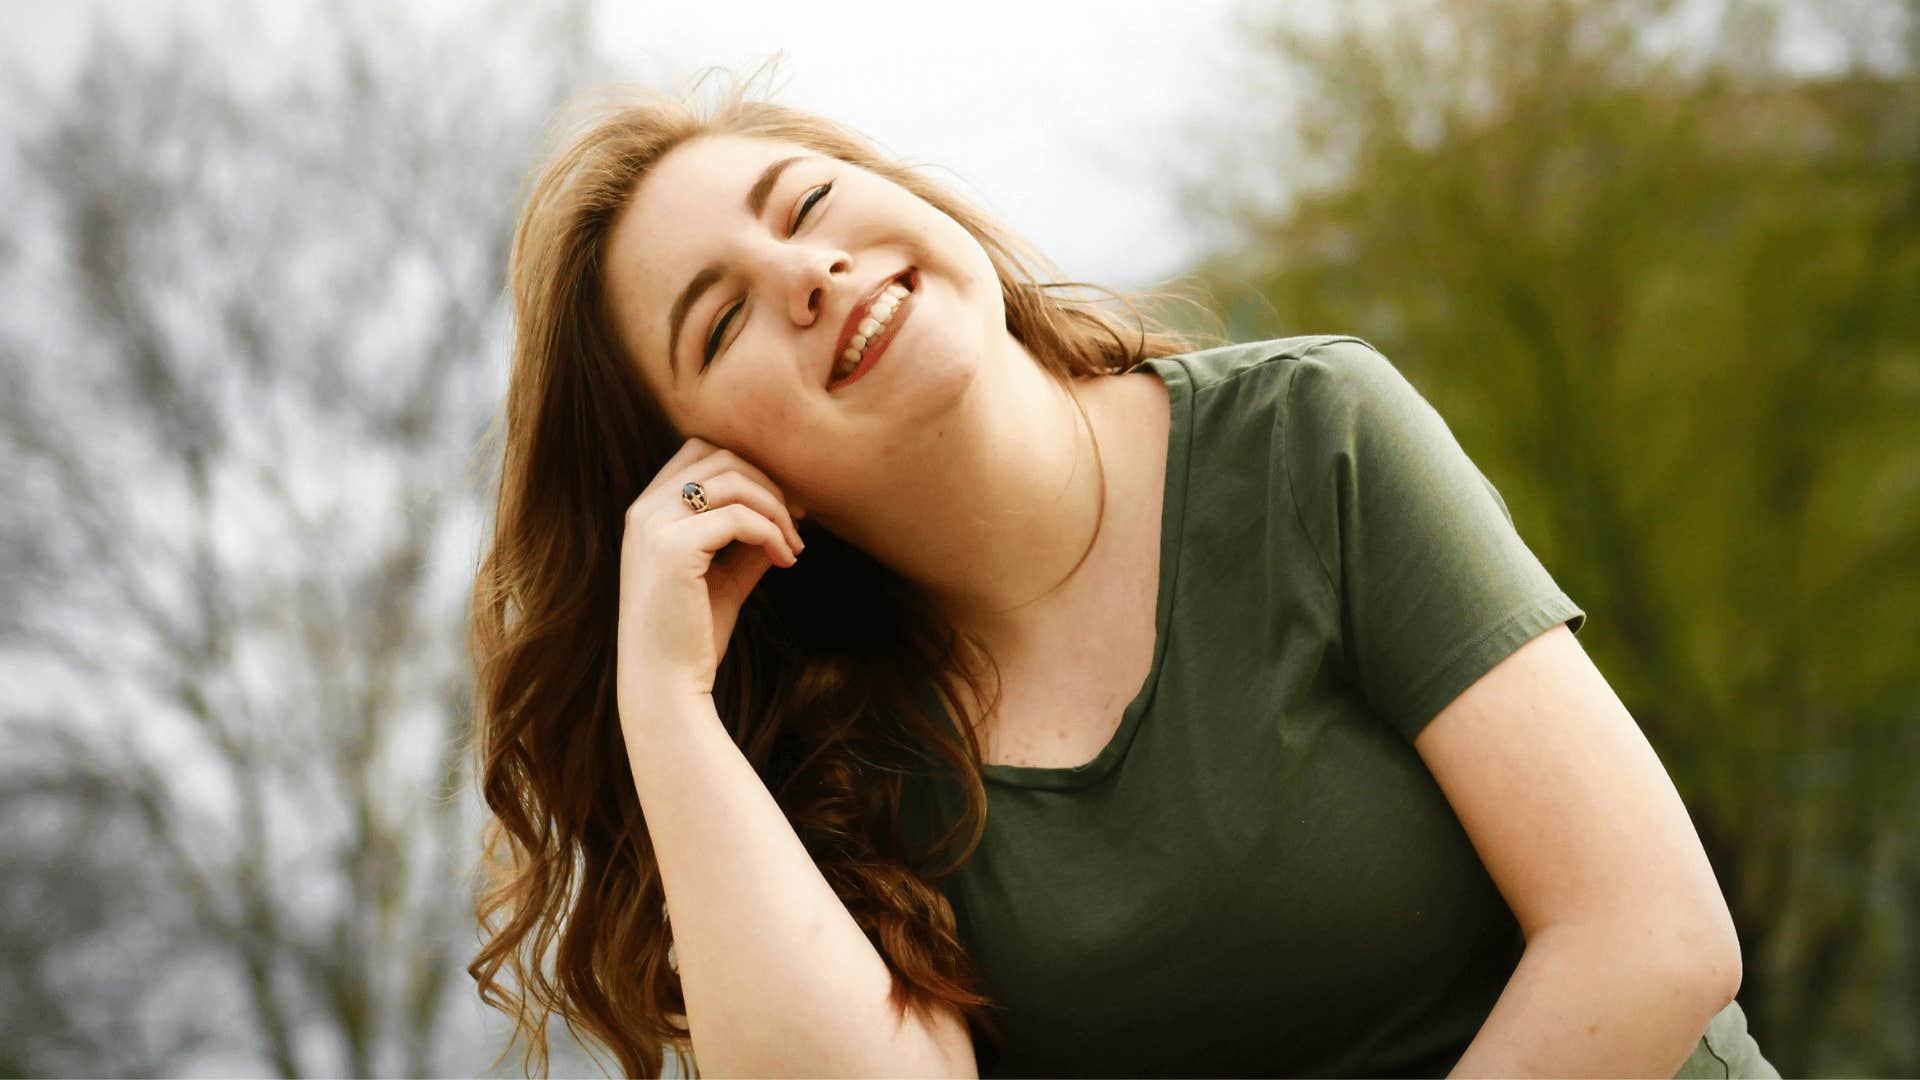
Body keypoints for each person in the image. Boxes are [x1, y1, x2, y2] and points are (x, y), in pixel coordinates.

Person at [466, 63, 1779, 1079]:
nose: (805, 273)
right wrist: (667, 706)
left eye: (805, 204)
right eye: (725, 317)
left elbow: (1651, 938)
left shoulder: (1310, 435)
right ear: (709, 467)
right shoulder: (830, 767)